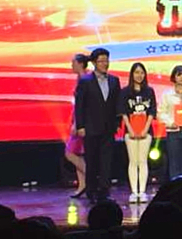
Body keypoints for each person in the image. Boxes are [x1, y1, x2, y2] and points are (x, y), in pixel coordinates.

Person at [74, 47, 122, 203]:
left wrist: (117, 123)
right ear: (94, 63)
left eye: (106, 60)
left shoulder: (114, 80)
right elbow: (79, 105)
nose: (105, 64)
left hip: (108, 128)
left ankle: (104, 192)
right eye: (101, 61)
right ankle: (91, 191)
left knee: (106, 162)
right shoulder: (85, 81)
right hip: (90, 128)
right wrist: (80, 126)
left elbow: (117, 104)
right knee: (92, 161)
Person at [118, 62, 157, 203]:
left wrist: (145, 129)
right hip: (130, 132)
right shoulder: (125, 92)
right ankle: (134, 192)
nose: (139, 75)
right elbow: (123, 112)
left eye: (142, 73)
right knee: (133, 161)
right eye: (136, 72)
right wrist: (130, 129)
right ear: (132, 74)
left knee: (143, 161)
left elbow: (152, 111)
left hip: (146, 131)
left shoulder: (149, 91)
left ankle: (142, 191)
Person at [65, 53, 89, 198]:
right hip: (77, 120)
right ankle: (82, 185)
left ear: (80, 64)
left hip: (82, 123)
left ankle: (91, 179)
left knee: (70, 153)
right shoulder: (80, 78)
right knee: (77, 153)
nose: (71, 65)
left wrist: (77, 123)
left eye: (73, 62)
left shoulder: (85, 79)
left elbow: (85, 105)